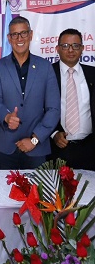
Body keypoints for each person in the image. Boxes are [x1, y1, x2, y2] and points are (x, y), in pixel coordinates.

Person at [0, 16, 60, 169]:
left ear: (31, 35)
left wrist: (35, 139)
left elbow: (53, 109)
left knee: (38, 186)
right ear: (9, 38)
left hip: (36, 148)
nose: (19, 38)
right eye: (15, 34)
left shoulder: (45, 67)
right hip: (5, 147)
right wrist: (6, 117)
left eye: (23, 33)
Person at [48, 28, 95, 170]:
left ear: (82, 49)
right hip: (57, 148)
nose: (70, 50)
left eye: (75, 45)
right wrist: (54, 133)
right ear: (57, 49)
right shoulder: (47, 73)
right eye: (65, 46)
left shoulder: (92, 73)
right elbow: (39, 108)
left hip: (90, 149)